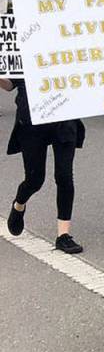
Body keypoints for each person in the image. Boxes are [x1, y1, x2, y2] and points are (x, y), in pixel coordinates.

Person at [2, 78, 86, 253]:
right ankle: (19, 204)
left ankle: (63, 235)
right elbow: (10, 84)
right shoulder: (23, 52)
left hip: (64, 115)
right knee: (34, 180)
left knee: (64, 176)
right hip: (32, 119)